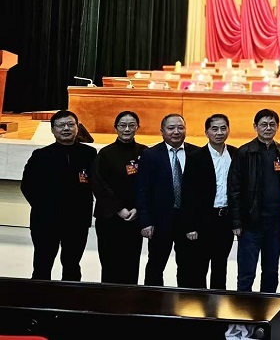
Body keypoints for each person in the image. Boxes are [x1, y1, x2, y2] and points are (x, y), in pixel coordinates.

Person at [20, 109, 97, 281]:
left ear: (77, 128)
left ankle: (70, 297)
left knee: (72, 265)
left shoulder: (89, 154)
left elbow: (97, 184)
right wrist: (44, 207)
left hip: (77, 220)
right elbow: (27, 186)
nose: (66, 128)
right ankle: (39, 297)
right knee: (42, 265)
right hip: (46, 220)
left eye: (70, 124)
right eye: (61, 125)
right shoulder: (41, 155)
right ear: (53, 130)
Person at [228, 108, 280, 292]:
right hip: (250, 223)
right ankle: (243, 308)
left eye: (272, 124)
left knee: (271, 271)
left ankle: (268, 308)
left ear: (277, 127)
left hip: (274, 223)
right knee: (246, 273)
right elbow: (234, 189)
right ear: (255, 127)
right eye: (264, 124)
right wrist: (236, 221)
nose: (268, 128)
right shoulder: (244, 152)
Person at [136, 113, 200, 287]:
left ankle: (185, 302)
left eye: (180, 127)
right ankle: (153, 300)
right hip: (160, 221)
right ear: (162, 131)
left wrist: (196, 223)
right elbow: (142, 191)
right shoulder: (150, 155)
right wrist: (145, 221)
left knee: (188, 267)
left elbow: (200, 192)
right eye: (171, 128)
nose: (176, 132)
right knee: (155, 266)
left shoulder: (197, 153)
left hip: (187, 222)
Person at [182, 113, 239, 289]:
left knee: (220, 266)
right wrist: (190, 225)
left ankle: (217, 303)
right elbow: (188, 193)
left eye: (223, 128)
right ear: (206, 132)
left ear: (228, 130)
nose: (219, 133)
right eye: (214, 129)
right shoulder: (195, 156)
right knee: (199, 267)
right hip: (203, 220)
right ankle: (199, 304)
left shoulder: (236, 154)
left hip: (226, 219)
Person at [92, 110, 147, 284]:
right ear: (116, 127)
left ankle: (130, 299)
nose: (127, 129)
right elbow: (99, 185)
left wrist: (138, 208)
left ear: (137, 127)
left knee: (131, 262)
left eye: (131, 125)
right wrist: (119, 209)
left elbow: (149, 184)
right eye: (122, 125)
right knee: (110, 263)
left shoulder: (145, 152)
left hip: (135, 218)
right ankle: (109, 299)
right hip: (110, 218)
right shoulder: (105, 154)